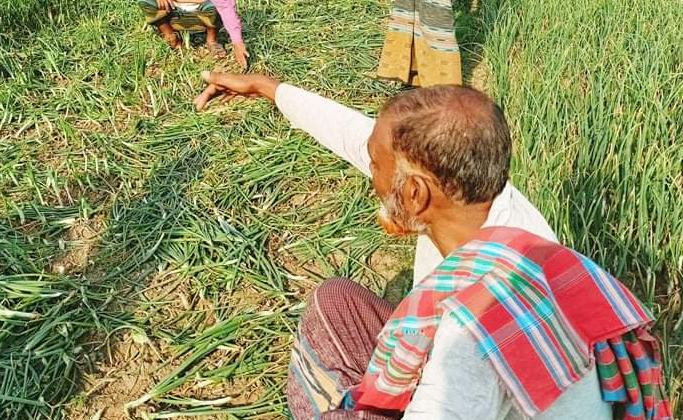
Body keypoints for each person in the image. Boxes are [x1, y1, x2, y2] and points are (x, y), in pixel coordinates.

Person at [193, 73, 672, 420]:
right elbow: (354, 134)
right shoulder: (486, 210)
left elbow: (458, 385)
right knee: (335, 302)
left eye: (375, 166)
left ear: (416, 194)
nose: (370, 173)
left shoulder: (476, 327)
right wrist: (268, 88)